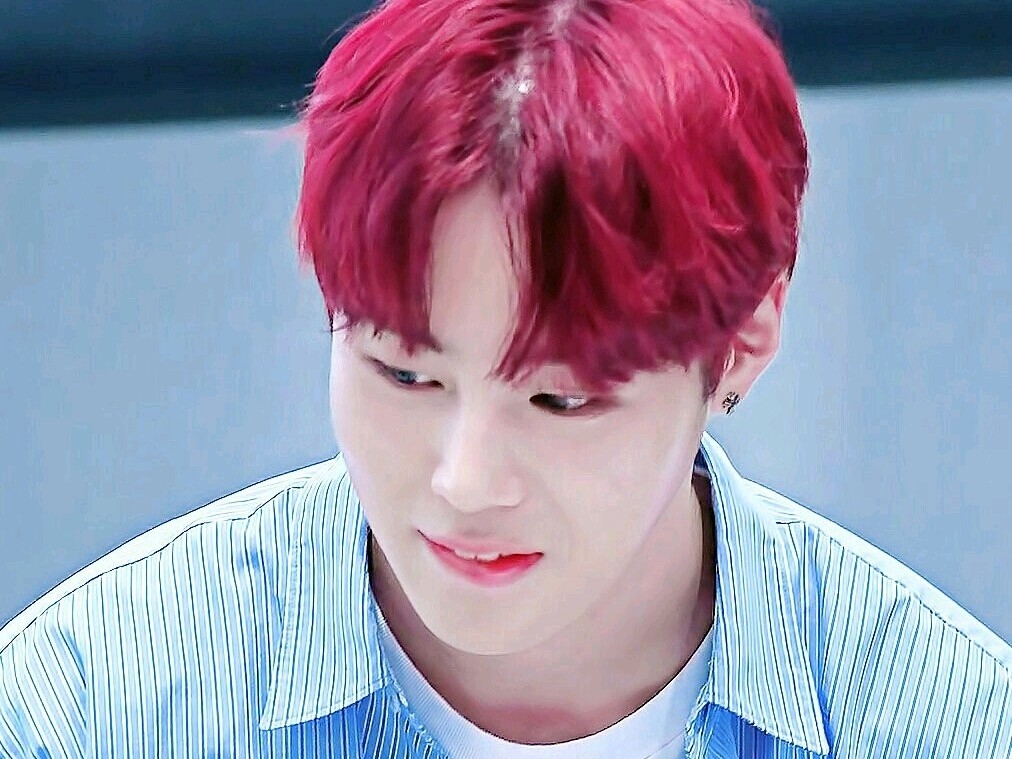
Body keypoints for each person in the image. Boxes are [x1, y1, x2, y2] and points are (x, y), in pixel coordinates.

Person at [2, 0, 1010, 756]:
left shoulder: (945, 724)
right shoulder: (88, 710)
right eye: (403, 373)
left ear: (741, 343)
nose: (465, 482)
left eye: (558, 400)